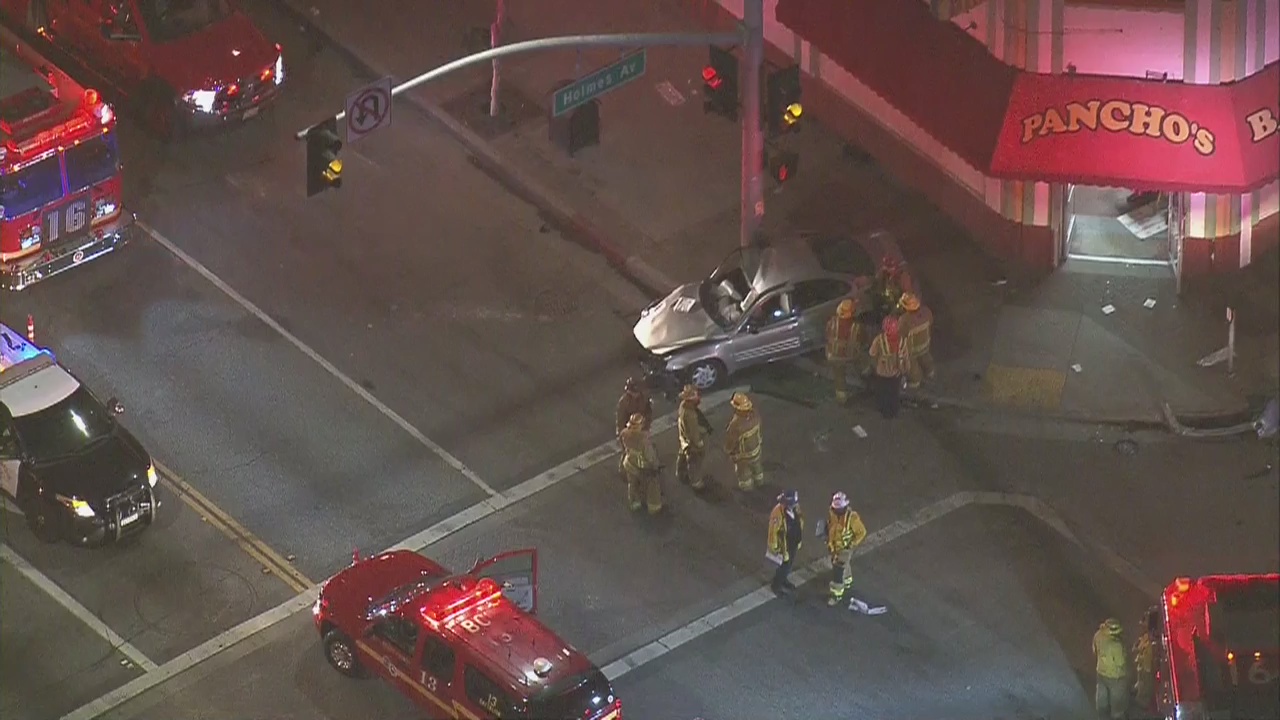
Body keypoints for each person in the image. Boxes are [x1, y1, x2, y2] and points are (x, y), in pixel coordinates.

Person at [823, 492, 867, 606]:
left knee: (838, 570)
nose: (836, 510)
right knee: (843, 565)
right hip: (834, 547)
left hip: (845, 548)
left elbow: (861, 532)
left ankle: (836, 594)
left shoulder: (851, 518)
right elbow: (831, 528)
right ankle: (847, 580)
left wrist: (851, 544)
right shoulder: (832, 513)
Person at [618, 412, 663, 514]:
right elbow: (650, 456)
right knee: (651, 484)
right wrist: (655, 465)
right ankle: (653, 506)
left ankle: (634, 502)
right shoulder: (643, 440)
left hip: (629, 463)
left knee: (632, 484)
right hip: (642, 467)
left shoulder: (624, 433)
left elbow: (623, 447)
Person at [868, 316, 908, 418]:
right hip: (896, 373)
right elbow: (905, 357)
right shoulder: (902, 341)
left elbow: (872, 354)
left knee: (883, 392)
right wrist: (905, 371)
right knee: (894, 393)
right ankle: (893, 411)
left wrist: (874, 367)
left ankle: (884, 410)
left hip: (882, 373)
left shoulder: (879, 340)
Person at [723, 392, 763, 491]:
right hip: (756, 450)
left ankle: (747, 489)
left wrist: (728, 451)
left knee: (744, 473)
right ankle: (760, 482)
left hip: (743, 456)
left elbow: (731, 442)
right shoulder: (755, 416)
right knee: (757, 467)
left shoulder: (735, 425)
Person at [676, 385, 713, 490]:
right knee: (695, 461)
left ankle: (680, 472)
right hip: (692, 442)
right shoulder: (691, 415)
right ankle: (696, 481)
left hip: (684, 437)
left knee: (683, 453)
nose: (698, 398)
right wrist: (699, 444)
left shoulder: (683, 406)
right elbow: (694, 432)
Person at [766, 490, 803, 595]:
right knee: (783, 566)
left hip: (793, 543)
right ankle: (776, 586)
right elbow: (773, 532)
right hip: (784, 545)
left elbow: (799, 520)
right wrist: (775, 547)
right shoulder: (777, 512)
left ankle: (784, 580)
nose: (794, 505)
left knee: (789, 564)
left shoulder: (795, 508)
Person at [615, 377, 653, 480]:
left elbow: (648, 412)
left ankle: (641, 468)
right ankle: (624, 471)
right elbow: (620, 421)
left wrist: (646, 426)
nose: (635, 394)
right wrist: (622, 434)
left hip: (641, 428)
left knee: (643, 450)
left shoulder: (643, 398)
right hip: (629, 431)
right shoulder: (623, 403)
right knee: (628, 452)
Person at [1092, 618, 1130, 720]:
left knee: (1102, 696)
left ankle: (1102, 715)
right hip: (1115, 677)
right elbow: (1121, 662)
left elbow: (1094, 650)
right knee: (1117, 700)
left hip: (1100, 672)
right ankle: (1117, 716)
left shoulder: (1098, 635)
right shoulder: (1116, 645)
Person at [825, 298, 861, 405]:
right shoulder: (856, 327)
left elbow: (827, 335)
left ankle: (842, 399)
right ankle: (868, 379)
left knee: (839, 376)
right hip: (851, 355)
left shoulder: (831, 323)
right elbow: (862, 340)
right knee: (863, 364)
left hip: (834, 355)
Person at [896, 293, 934, 388]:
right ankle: (930, 372)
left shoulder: (905, 320)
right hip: (925, 343)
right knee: (925, 357)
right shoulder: (927, 312)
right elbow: (931, 322)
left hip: (912, 348)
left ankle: (915, 381)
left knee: (911, 365)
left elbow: (901, 334)